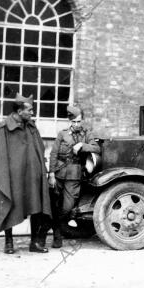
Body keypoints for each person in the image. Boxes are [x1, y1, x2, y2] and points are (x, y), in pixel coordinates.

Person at [0, 93, 51, 254]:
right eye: (30, 110)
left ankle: (35, 243)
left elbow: (40, 149)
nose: (32, 113)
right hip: (12, 178)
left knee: (36, 206)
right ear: (19, 110)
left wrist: (43, 171)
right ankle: (8, 242)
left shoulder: (32, 127)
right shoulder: (2, 128)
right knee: (8, 204)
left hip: (32, 175)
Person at [48, 104, 100, 248]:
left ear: (82, 121)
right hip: (58, 172)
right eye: (73, 122)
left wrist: (82, 145)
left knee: (67, 206)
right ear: (69, 121)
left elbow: (97, 148)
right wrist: (51, 173)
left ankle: (55, 226)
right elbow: (53, 154)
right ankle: (57, 235)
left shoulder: (86, 133)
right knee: (53, 203)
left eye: (79, 121)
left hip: (74, 174)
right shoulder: (62, 134)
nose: (76, 124)